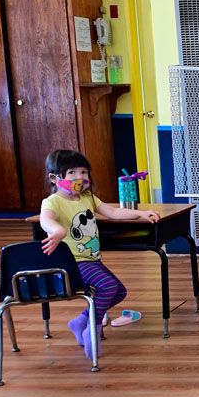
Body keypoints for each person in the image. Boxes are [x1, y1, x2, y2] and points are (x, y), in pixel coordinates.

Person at [39, 149, 159, 359]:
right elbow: (45, 219)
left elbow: (112, 212)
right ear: (54, 178)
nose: (80, 178)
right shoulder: (53, 202)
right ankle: (91, 327)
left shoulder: (87, 197)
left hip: (91, 259)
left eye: (84, 172)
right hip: (73, 262)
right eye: (72, 173)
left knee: (119, 292)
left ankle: (81, 321)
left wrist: (140, 213)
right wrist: (56, 230)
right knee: (109, 286)